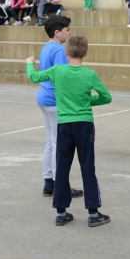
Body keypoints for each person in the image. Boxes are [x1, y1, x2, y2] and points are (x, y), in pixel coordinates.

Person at [25, 34, 112, 227]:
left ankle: (61, 212)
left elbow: (33, 76)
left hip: (64, 124)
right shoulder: (90, 74)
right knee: (87, 166)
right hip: (84, 125)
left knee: (62, 166)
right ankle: (93, 212)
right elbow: (106, 97)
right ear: (86, 53)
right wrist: (88, 101)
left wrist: (30, 63)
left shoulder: (57, 71)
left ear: (65, 52)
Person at [28, 16, 83, 198]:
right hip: (53, 100)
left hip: (44, 98)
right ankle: (61, 185)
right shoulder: (60, 50)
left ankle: (49, 184)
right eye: (67, 30)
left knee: (51, 142)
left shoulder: (46, 48)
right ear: (57, 32)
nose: (70, 33)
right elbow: (64, 77)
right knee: (59, 144)